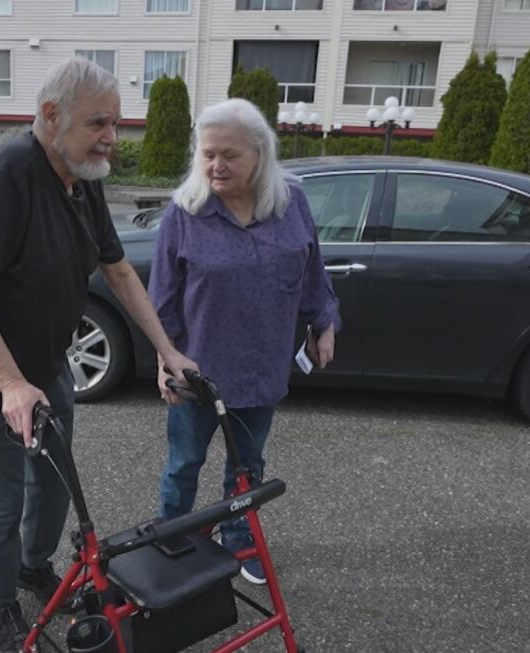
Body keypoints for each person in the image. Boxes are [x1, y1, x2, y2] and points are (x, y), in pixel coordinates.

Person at [0, 57, 196, 653]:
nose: (112, 138)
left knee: (51, 485)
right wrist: (10, 385)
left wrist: (166, 350)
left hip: (47, 364)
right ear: (51, 116)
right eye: (99, 122)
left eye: (117, 124)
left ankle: (33, 566)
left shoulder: (82, 179)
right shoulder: (10, 176)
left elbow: (118, 269)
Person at [148, 98, 341, 585]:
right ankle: (173, 540)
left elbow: (312, 269)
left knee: (247, 465)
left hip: (261, 366)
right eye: (208, 153)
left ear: (259, 153)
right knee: (183, 463)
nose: (216, 164)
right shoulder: (184, 212)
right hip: (198, 370)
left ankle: (238, 538)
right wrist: (163, 359)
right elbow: (161, 298)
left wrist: (325, 321)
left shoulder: (291, 203)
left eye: (229, 154)